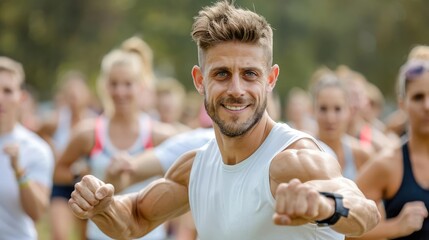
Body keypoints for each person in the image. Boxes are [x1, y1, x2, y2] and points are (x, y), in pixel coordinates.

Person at [68, 1, 380, 240]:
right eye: (221, 74)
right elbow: (134, 218)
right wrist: (101, 206)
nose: (236, 89)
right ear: (199, 80)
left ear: (271, 79)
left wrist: (325, 207)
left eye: (250, 74)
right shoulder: (195, 168)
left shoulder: (292, 160)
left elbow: (365, 212)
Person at [55, 38, 181, 240]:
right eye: (114, 84)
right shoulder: (88, 133)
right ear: (104, 86)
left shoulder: (160, 135)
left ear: (141, 86)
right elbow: (58, 171)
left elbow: (185, 181)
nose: (120, 91)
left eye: (127, 84)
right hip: (100, 235)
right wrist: (79, 176)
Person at [355, 48, 429, 239]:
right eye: (418, 97)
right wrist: (396, 226)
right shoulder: (388, 164)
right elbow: (341, 227)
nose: (427, 106)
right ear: (402, 104)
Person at [0, 56, 54, 239]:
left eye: (7, 91)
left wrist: (19, 171)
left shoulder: (36, 149)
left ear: (21, 97)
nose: (0, 97)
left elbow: (37, 213)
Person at [37, 70, 96, 240]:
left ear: (87, 95)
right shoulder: (56, 120)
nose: (74, 98)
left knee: (86, 236)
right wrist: (52, 149)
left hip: (87, 186)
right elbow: (37, 132)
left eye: (78, 94)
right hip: (62, 183)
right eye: (70, 95)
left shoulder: (94, 123)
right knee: (59, 235)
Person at [310, 68, 372, 180]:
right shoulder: (304, 152)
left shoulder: (362, 155)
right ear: (312, 110)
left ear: (349, 110)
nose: (330, 118)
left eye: (337, 109)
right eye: (323, 109)